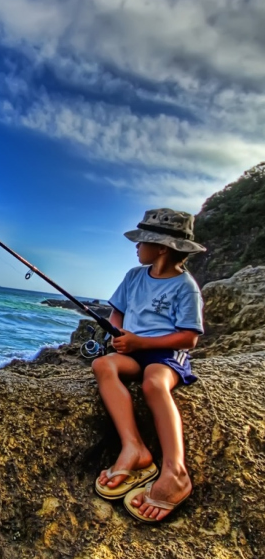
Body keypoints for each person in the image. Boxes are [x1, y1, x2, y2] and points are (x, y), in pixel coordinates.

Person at [92, 208, 206, 523]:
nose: (136, 247)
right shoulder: (133, 276)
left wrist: (143, 344)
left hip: (165, 353)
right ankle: (135, 449)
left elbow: (188, 339)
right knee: (104, 366)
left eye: (142, 242)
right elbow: (118, 313)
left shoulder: (186, 287)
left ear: (162, 249)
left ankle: (175, 471)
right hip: (133, 350)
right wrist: (118, 334)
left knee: (154, 383)